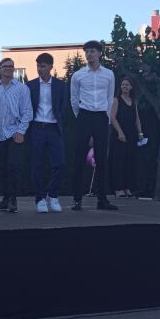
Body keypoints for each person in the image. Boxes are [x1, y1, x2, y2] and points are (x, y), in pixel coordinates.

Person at [70, 40, 118, 211]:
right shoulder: (78, 75)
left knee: (102, 159)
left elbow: (110, 98)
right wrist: (80, 117)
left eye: (92, 51)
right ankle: (77, 199)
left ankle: (102, 199)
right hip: (85, 115)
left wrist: (106, 119)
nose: (89, 54)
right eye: (87, 51)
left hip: (101, 117)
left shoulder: (109, 74)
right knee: (79, 158)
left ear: (99, 53)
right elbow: (74, 99)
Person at [0, 58, 33, 213]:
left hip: (15, 133)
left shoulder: (22, 89)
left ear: (13, 69)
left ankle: (13, 199)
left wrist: (21, 131)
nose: (8, 68)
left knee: (14, 166)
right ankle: (5, 199)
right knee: (1, 168)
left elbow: (27, 112)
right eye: (5, 66)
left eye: (11, 66)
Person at [28, 53, 68, 212]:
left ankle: (52, 194)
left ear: (51, 66)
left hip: (53, 128)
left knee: (60, 162)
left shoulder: (61, 85)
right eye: (38, 66)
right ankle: (40, 198)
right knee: (36, 164)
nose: (39, 69)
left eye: (43, 66)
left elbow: (63, 107)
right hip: (36, 127)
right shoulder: (30, 85)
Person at [109, 77, 144, 198]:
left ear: (131, 87)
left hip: (131, 134)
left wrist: (140, 133)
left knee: (129, 162)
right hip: (119, 135)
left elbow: (137, 118)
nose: (124, 86)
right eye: (122, 84)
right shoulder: (116, 100)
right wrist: (120, 132)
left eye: (126, 84)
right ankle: (118, 188)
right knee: (118, 161)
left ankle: (127, 187)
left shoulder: (134, 101)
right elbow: (112, 117)